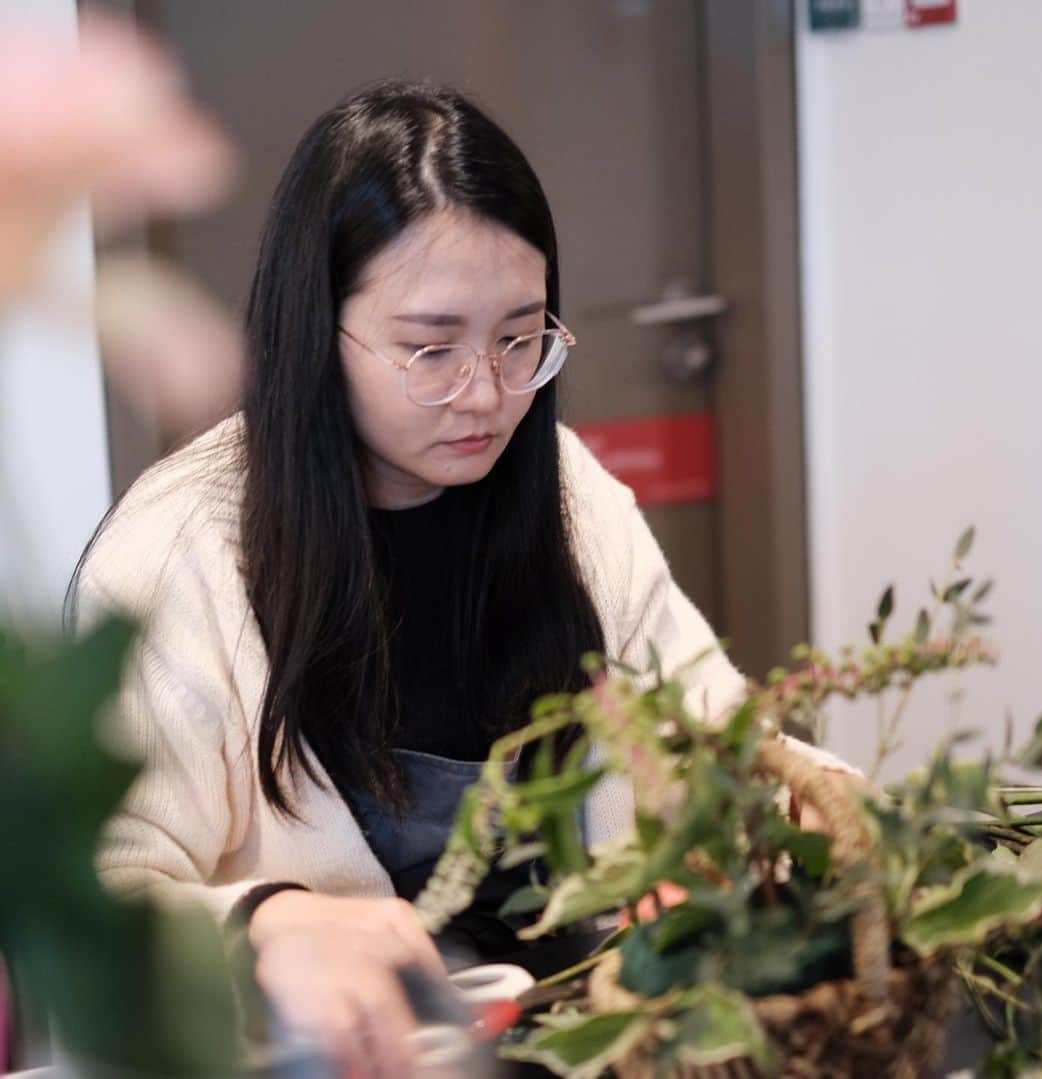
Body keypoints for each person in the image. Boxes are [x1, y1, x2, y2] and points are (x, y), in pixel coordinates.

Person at [72, 80, 851, 1074]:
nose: (485, 392)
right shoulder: (177, 556)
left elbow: (711, 735)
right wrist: (265, 920)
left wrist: (805, 807)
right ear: (318, 331)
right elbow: (85, 904)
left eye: (520, 337)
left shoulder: (569, 494)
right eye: (430, 348)